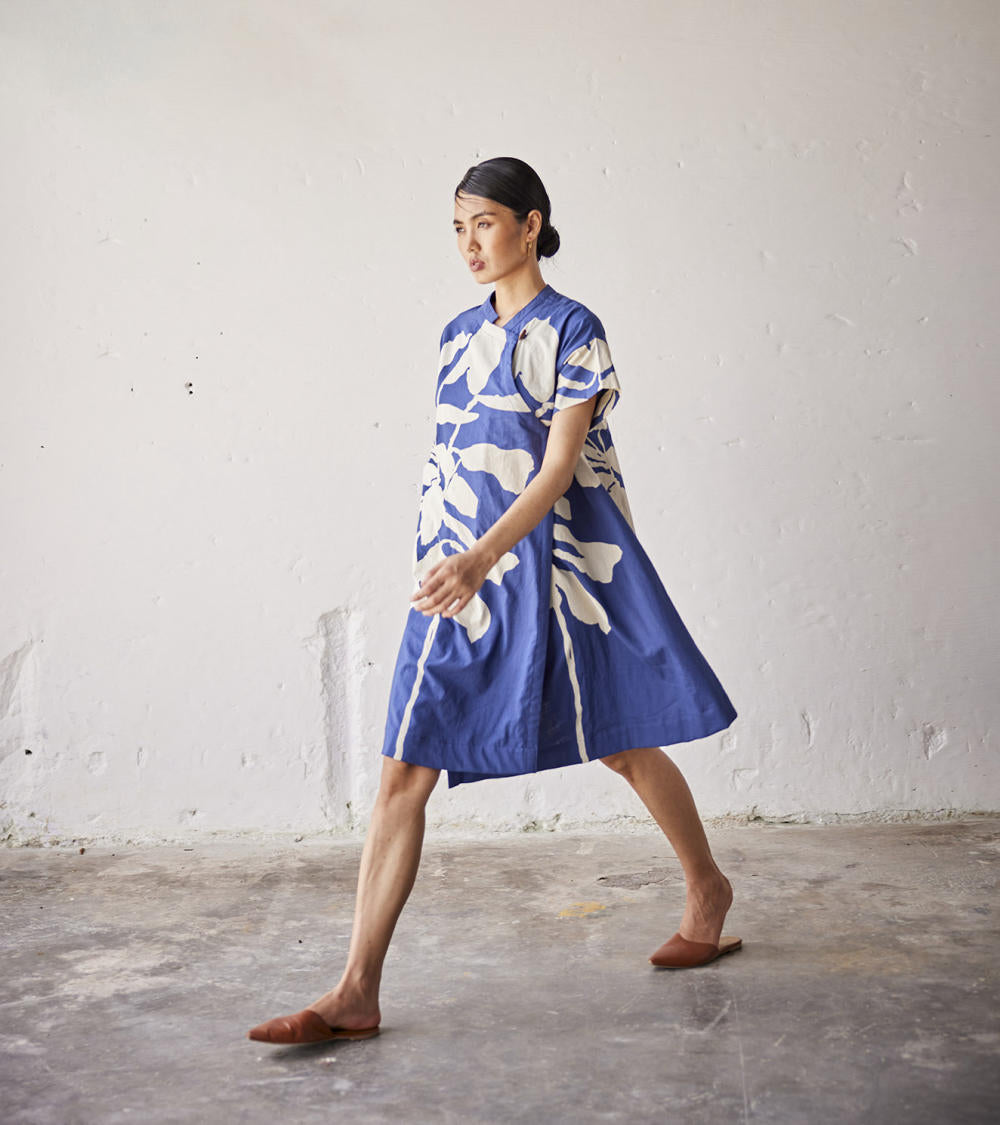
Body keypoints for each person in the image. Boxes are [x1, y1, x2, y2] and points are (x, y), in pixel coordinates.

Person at [248, 157, 741, 1046]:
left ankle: (707, 887)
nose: (469, 244)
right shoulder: (454, 337)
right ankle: (355, 989)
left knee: (622, 742)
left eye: (483, 223)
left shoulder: (575, 328)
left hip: (560, 573)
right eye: (457, 228)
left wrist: (483, 557)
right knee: (404, 767)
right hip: (459, 581)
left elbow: (558, 468)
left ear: (530, 224)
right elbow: (449, 463)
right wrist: (447, 561)